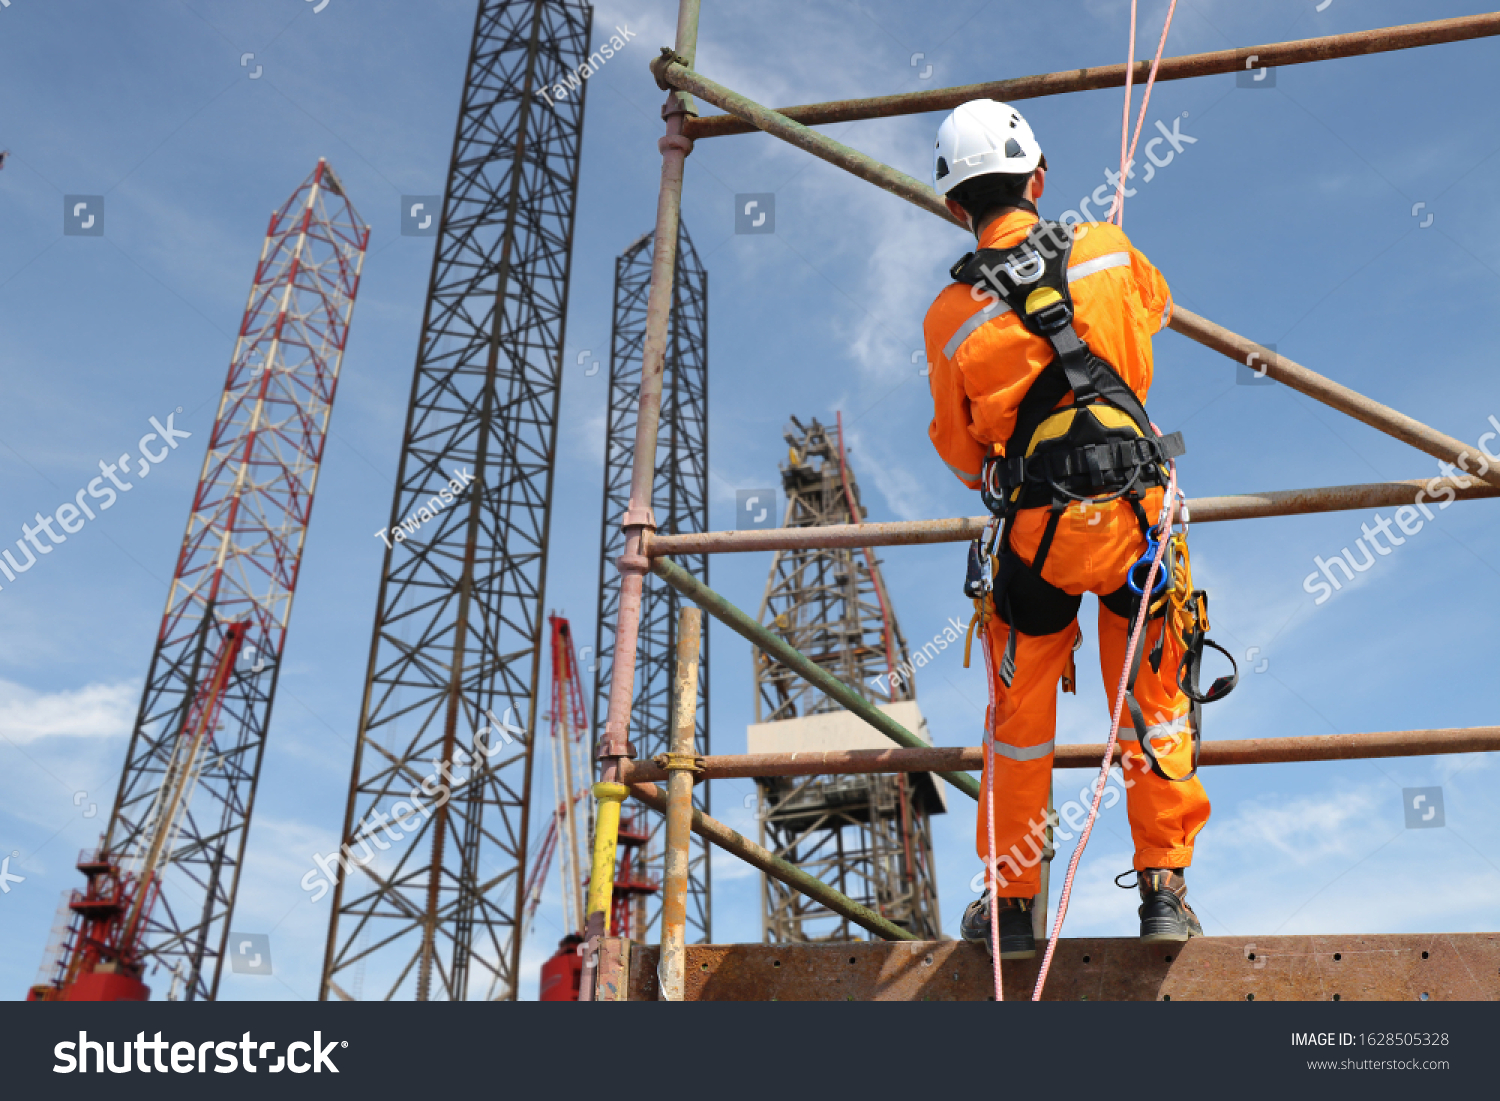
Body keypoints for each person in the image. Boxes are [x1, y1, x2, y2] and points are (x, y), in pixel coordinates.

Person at [922, 99, 1210, 959]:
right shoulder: (1108, 250)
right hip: (1137, 524)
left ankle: (1011, 907)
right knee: (1155, 700)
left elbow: (962, 451)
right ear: (1038, 179)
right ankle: (1163, 890)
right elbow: (1153, 317)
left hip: (1036, 538)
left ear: (953, 205)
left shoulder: (950, 316)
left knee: (1019, 722)